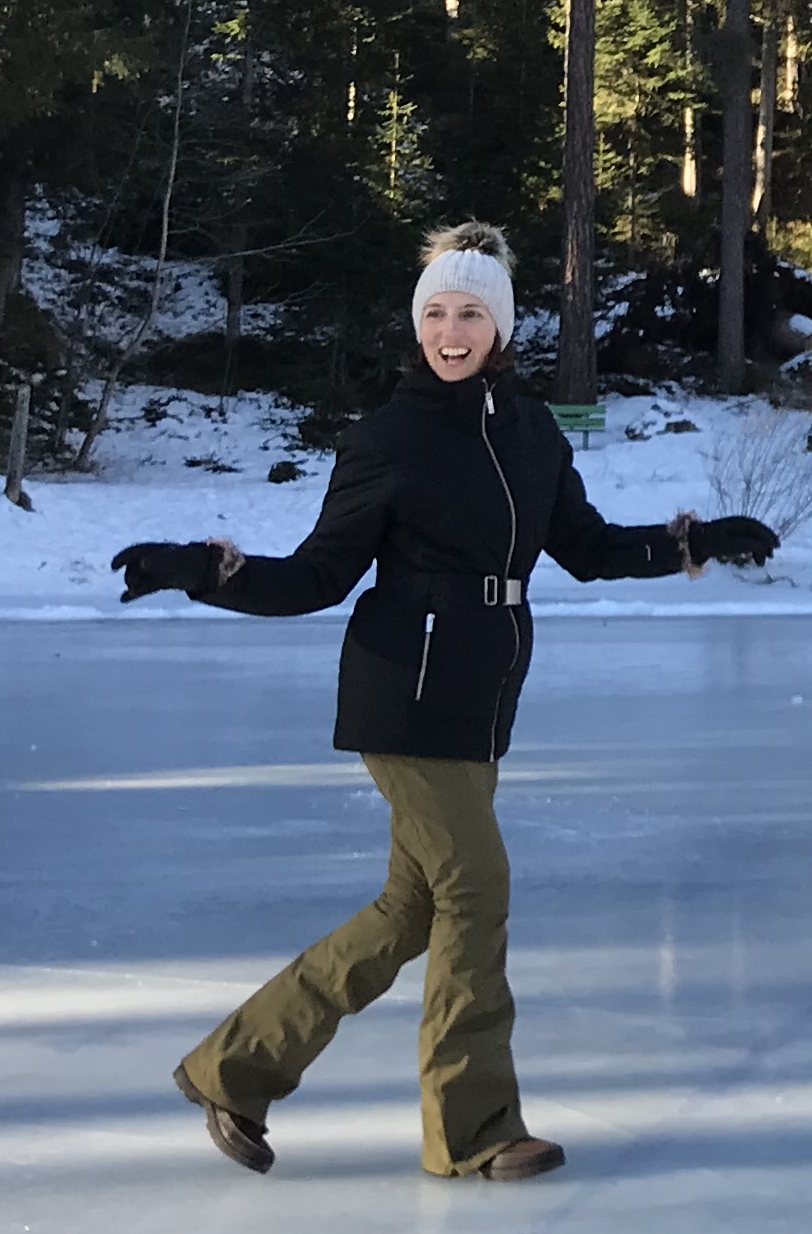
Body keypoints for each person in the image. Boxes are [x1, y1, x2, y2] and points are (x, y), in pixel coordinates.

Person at [113, 223, 778, 1181]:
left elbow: (585, 549)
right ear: (417, 326)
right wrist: (205, 572)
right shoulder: (388, 436)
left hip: (481, 696)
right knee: (475, 886)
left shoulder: (531, 431)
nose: (451, 330)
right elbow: (318, 575)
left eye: (470, 313)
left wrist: (693, 540)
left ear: (500, 327)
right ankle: (473, 1130)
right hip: (404, 691)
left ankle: (235, 1067)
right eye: (435, 313)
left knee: (410, 908)